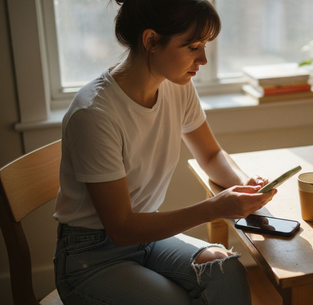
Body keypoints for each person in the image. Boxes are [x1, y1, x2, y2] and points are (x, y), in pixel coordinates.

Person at [52, 0, 276, 304]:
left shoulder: (177, 85)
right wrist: (214, 208)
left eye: (205, 45)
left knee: (226, 270)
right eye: (194, 46)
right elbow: (121, 228)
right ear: (151, 41)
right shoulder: (94, 114)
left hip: (147, 237)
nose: (204, 59)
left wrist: (246, 186)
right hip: (91, 256)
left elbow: (210, 155)